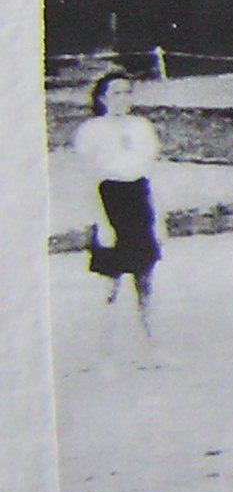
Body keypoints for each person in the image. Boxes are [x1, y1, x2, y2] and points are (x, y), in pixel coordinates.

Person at [72, 71, 164, 365]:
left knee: (145, 282)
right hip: (111, 200)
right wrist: (102, 223)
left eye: (127, 92)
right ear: (102, 98)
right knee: (110, 286)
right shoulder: (91, 131)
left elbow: (149, 175)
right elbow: (89, 181)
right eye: (116, 93)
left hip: (138, 200)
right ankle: (105, 356)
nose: (122, 99)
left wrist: (157, 220)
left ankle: (151, 349)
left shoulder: (141, 127)